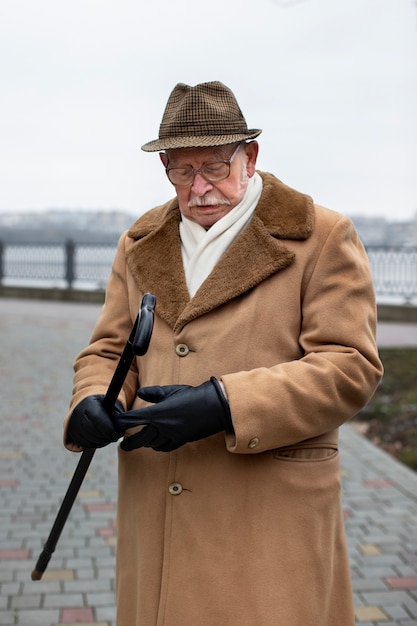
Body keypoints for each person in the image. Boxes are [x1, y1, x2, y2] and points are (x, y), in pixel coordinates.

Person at [64, 81, 383, 626]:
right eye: (182, 171)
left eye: (214, 166)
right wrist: (94, 398)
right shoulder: (138, 242)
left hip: (268, 510)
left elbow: (349, 365)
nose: (200, 187)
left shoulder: (322, 236)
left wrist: (224, 403)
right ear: (164, 165)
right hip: (156, 505)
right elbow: (110, 349)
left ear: (250, 156)